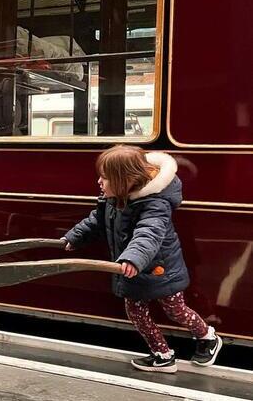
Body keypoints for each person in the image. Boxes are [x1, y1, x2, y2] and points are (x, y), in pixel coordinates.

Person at [62, 145, 222, 373]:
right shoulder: (113, 197)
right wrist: (74, 237)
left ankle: (208, 337)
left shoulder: (155, 203)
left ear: (124, 180)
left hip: (160, 268)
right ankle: (162, 355)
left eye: (105, 178)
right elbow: (95, 220)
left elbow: (148, 234)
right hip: (131, 267)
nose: (99, 182)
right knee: (136, 312)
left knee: (175, 309)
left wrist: (133, 259)